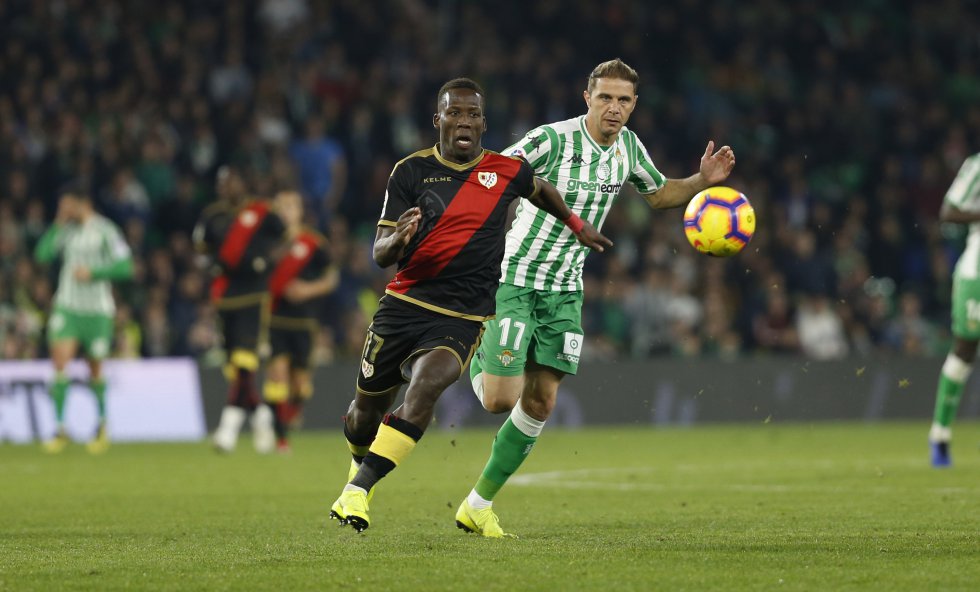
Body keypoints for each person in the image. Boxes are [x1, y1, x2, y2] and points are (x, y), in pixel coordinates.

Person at [457, 58, 736, 537]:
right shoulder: (552, 139)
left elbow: (658, 195)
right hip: (515, 279)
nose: (614, 108)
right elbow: (491, 176)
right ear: (587, 97)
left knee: (541, 402)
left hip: (566, 290)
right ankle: (478, 336)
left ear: (634, 105)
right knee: (500, 400)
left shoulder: (628, 147)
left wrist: (700, 182)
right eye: (605, 97)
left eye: (623, 100)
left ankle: (477, 505)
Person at [328, 77, 611, 532]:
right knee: (364, 416)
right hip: (404, 304)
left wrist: (577, 225)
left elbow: (541, 189)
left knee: (426, 387)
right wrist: (398, 239)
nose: (464, 121)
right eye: (455, 113)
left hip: (463, 315)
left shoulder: (506, 171)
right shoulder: (410, 172)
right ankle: (359, 467)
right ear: (437, 119)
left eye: (473, 114)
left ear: (483, 124)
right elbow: (379, 253)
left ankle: (357, 491)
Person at [34, 184, 134, 454]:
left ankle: (102, 425)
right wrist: (57, 224)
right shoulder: (66, 231)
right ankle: (60, 428)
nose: (64, 210)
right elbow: (42, 255)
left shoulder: (106, 231)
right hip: (68, 307)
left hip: (98, 311)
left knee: (95, 369)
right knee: (60, 363)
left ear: (83, 204)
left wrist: (94, 273)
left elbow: (126, 267)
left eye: (67, 205)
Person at [193, 166, 286, 453]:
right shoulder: (213, 216)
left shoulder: (263, 212)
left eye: (230, 181)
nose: (225, 187)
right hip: (225, 296)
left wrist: (267, 262)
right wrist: (207, 266)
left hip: (254, 294)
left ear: (243, 184)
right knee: (234, 367)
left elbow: (284, 240)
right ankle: (261, 416)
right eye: (221, 183)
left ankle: (227, 430)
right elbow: (201, 249)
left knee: (245, 359)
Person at [263, 188, 338, 453]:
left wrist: (308, 290)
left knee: (301, 385)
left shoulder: (313, 243)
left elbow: (331, 278)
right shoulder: (267, 242)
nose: (286, 212)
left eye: (291, 207)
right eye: (281, 207)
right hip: (274, 318)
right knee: (277, 374)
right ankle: (280, 438)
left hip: (305, 322)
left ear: (299, 212)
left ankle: (287, 416)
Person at [928, 151, 980, 467]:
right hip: (977, 274)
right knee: (965, 348)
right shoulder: (977, 165)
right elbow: (949, 211)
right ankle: (940, 434)